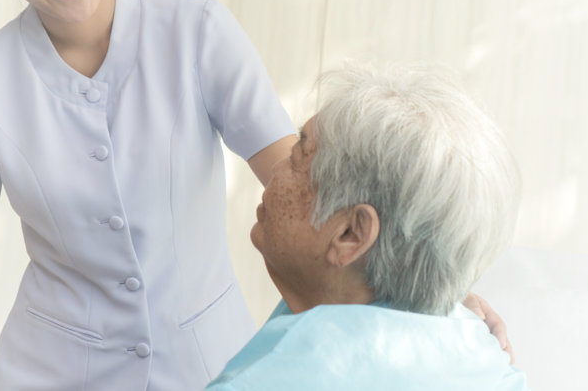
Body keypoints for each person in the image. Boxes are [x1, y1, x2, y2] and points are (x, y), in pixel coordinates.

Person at [0, 0, 507, 389]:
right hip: (50, 369)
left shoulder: (196, 33)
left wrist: (439, 298)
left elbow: (310, 186)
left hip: (206, 360)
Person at [206, 68, 528, 390]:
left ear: (351, 235)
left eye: (297, 157)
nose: (275, 168)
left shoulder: (271, 381)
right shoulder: (486, 358)